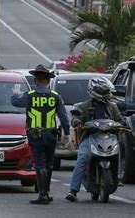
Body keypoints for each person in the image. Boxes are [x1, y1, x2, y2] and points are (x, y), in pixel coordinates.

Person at [11, 65, 70, 205]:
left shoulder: (30, 95)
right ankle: (47, 192)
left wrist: (16, 92)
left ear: (36, 81)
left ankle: (42, 194)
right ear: (48, 81)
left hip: (36, 136)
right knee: (49, 164)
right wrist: (67, 133)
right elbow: (63, 117)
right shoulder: (56, 97)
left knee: (39, 164)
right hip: (51, 135)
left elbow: (15, 102)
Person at [65, 77, 125, 202]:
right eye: (102, 91)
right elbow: (76, 118)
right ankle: (73, 190)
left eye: (106, 91)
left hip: (109, 138)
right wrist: (77, 122)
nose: (105, 93)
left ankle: (118, 176)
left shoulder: (113, 107)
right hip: (89, 138)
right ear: (94, 91)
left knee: (119, 152)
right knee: (82, 158)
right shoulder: (84, 106)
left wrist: (123, 124)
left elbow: (120, 119)